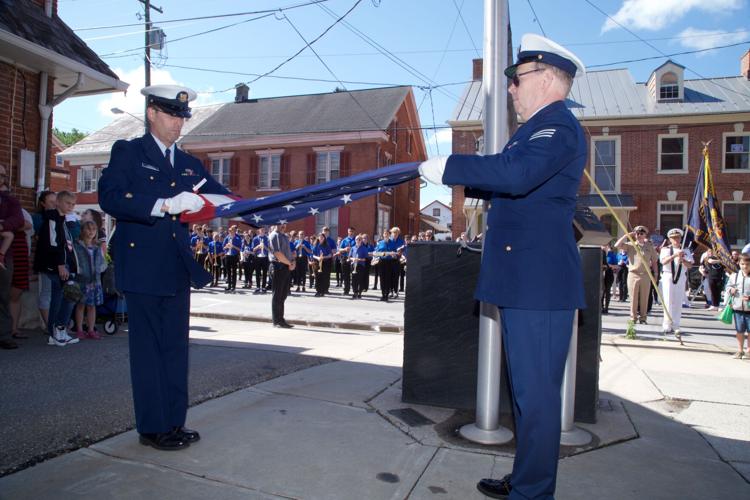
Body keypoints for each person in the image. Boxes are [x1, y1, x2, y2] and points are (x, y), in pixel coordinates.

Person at [419, 33, 587, 499]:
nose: (511, 88)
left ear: (549, 79)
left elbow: (514, 175)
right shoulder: (536, 130)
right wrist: (458, 174)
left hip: (539, 285)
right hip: (526, 281)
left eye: (518, 78)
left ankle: (533, 492)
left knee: (536, 400)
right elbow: (509, 180)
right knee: (526, 396)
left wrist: (451, 166)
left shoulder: (558, 126)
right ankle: (528, 479)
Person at [98, 84, 231, 451]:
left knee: (175, 349)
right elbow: (110, 197)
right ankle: (152, 427)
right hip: (141, 264)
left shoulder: (189, 164)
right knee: (148, 351)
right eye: (172, 115)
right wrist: (164, 204)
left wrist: (268, 212)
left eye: (182, 117)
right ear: (152, 113)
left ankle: (174, 422)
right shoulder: (129, 152)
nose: (178, 124)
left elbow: (224, 199)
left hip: (175, 267)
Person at [33, 190, 80, 346]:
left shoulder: (62, 219)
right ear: (58, 202)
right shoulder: (53, 218)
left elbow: (67, 243)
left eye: (73, 204)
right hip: (55, 265)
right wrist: (60, 265)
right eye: (67, 203)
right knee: (63, 296)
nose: (70, 207)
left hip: (64, 264)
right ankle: (55, 330)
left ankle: (59, 330)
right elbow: (55, 244)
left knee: (66, 296)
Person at [0, 163, 24, 350]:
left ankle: (4, 335)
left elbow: (18, 220)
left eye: (2, 175)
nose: (1, 178)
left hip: (3, 255)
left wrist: (2, 226)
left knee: (2, 296)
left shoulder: (11, 202)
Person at [615, 226, 658, 324]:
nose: (639, 235)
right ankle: (633, 317)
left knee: (644, 297)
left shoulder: (649, 246)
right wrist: (626, 235)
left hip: (646, 275)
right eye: (637, 233)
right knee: (633, 297)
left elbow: (654, 261)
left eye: (641, 233)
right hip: (633, 274)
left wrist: (655, 275)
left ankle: (643, 318)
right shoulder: (631, 245)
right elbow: (617, 245)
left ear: (645, 235)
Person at [73, 220, 108, 339]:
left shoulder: (97, 247)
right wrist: (79, 271)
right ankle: (79, 329)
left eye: (93, 229)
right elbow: (75, 262)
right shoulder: (77, 246)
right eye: (88, 229)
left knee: (92, 306)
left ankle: (91, 329)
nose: (91, 232)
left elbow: (104, 263)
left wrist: (99, 269)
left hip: (95, 281)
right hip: (82, 281)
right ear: (83, 230)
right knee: (81, 305)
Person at [659, 229, 693, 335]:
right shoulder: (666, 250)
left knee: (678, 301)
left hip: (681, 276)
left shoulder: (686, 250)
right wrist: (674, 255)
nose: (676, 240)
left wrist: (683, 259)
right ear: (669, 239)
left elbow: (690, 265)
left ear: (681, 238)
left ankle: (676, 324)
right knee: (668, 300)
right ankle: (666, 324)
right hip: (668, 275)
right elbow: (663, 261)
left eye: (678, 238)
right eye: (673, 238)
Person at [268, 223, 295, 328]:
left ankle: (281, 319)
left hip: (285, 266)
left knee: (283, 295)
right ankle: (277, 321)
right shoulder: (274, 235)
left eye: (284, 223)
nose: (283, 225)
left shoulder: (284, 236)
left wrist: (292, 261)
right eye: (280, 223)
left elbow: (289, 253)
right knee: (277, 295)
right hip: (278, 266)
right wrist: (289, 263)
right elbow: (277, 254)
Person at [725, 253, 750, 359]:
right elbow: (727, 287)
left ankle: (748, 351)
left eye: (748, 264)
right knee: (739, 330)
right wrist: (731, 290)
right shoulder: (734, 276)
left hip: (749, 308)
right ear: (739, 264)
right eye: (742, 264)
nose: (745, 266)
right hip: (738, 307)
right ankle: (740, 350)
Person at [222, 225, 242, 293]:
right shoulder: (227, 238)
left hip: (234, 256)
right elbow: (223, 248)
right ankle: (229, 286)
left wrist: (233, 246)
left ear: (234, 231)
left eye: (232, 231)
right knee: (228, 272)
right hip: (227, 256)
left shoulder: (237, 238)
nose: (230, 232)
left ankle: (233, 286)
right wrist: (226, 247)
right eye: (229, 231)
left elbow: (240, 249)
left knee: (234, 272)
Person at [339, 227, 356, 295]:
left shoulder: (356, 239)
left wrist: (352, 249)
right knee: (345, 275)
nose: (350, 232)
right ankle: (346, 290)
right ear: (348, 232)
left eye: (352, 231)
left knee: (354, 275)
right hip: (345, 258)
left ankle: (355, 291)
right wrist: (345, 249)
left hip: (353, 258)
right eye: (349, 231)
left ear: (354, 232)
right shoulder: (344, 240)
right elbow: (339, 249)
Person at [252, 227, 269, 294]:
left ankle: (264, 287)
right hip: (258, 257)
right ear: (258, 230)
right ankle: (258, 287)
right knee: (257, 273)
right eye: (261, 230)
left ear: (265, 231)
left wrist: (264, 247)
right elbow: (253, 249)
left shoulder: (267, 238)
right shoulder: (255, 238)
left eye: (263, 229)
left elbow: (270, 250)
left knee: (265, 273)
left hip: (265, 257)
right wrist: (258, 246)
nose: (262, 231)